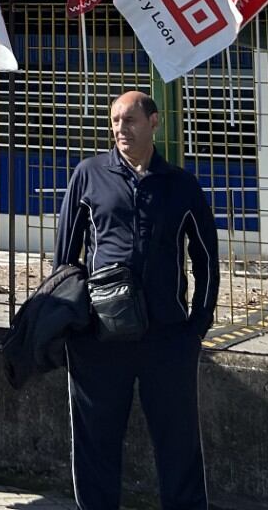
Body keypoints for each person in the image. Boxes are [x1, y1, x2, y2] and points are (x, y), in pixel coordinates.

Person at [55, 90, 218, 510]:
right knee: (96, 440)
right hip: (99, 337)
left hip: (167, 337)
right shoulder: (88, 175)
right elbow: (64, 259)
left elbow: (206, 258)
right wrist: (72, 321)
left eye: (129, 120)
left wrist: (197, 325)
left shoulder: (181, 185)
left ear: (154, 122)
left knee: (178, 440)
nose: (120, 129)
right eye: (114, 121)